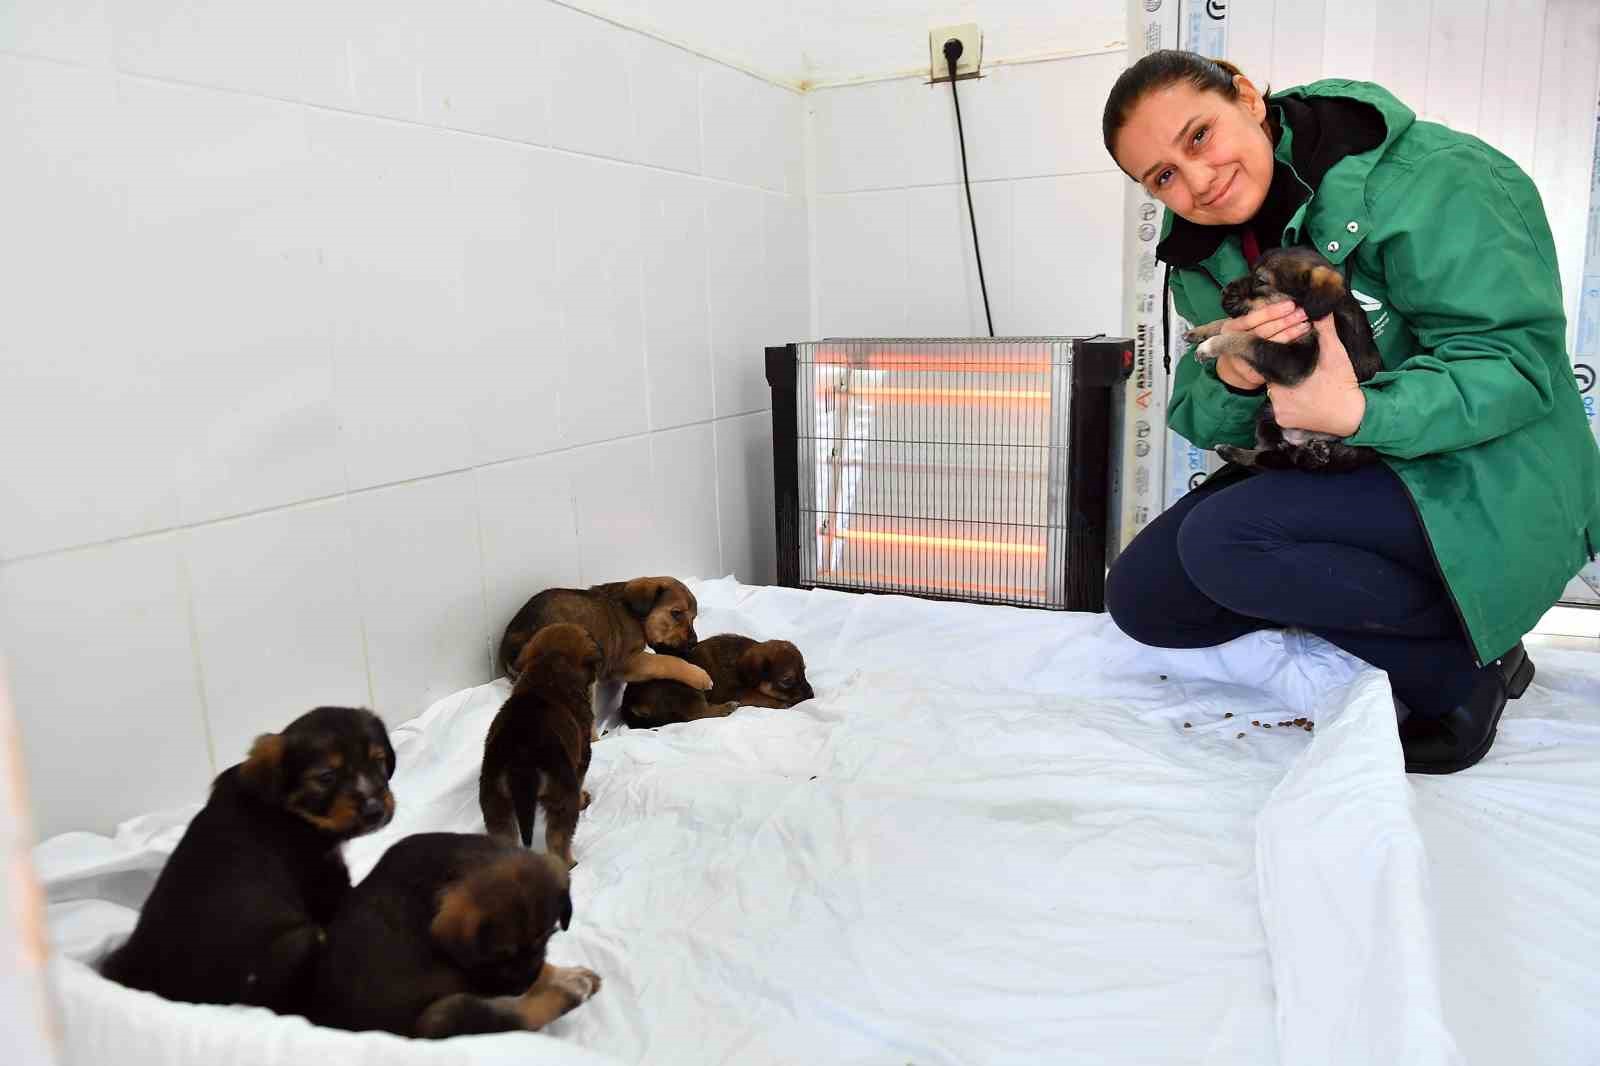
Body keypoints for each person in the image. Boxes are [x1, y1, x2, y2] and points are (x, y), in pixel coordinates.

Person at [1100, 51, 1600, 774]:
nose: (1198, 180)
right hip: (1350, 466)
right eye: (1164, 177)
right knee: (1145, 599)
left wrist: (1360, 410)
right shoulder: (1203, 256)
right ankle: (1400, 611)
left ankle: (1464, 668)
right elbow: (1200, 414)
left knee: (1226, 542)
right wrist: (1236, 378)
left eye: (1198, 136)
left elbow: (1513, 365)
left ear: (1245, 95)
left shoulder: (1441, 176)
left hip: (1493, 471)